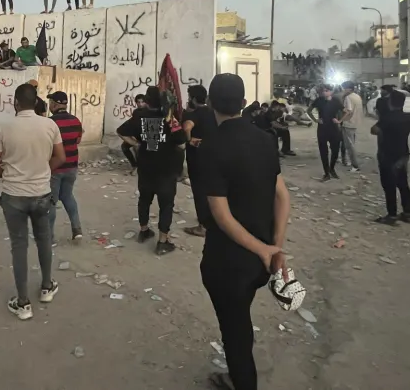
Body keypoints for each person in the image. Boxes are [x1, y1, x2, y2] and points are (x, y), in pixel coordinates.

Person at [197, 73, 291, 390]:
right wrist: (274, 247)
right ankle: (237, 376)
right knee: (240, 322)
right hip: (258, 263)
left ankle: (242, 381)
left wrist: (266, 251)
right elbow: (283, 196)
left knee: (234, 333)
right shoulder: (265, 139)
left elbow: (221, 216)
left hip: (228, 263)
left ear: (210, 103)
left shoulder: (211, 148)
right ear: (243, 101)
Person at [0, 83, 66, 320]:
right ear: (37, 102)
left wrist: (8, 176)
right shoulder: (50, 125)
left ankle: (23, 303)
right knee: (44, 240)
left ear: (16, 103)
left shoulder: (4, 127)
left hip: (14, 196)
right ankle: (47, 287)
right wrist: (43, 172)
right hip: (41, 193)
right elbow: (60, 157)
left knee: (19, 247)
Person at [117, 86, 187, 256]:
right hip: (166, 169)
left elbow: (121, 132)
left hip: (146, 167)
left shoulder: (139, 116)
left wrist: (138, 144)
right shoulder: (170, 119)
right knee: (166, 205)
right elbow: (181, 143)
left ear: (147, 101)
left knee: (144, 200)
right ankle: (163, 242)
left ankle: (144, 230)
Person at [371, 90, 410, 225]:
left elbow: (374, 130)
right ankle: (407, 213)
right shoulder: (408, 117)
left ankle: (392, 215)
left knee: (389, 185)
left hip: (387, 154)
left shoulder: (387, 118)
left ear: (390, 102)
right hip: (402, 153)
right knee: (403, 184)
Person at [47, 91, 84, 242]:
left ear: (54, 104)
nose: (49, 105)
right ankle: (77, 229)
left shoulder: (50, 123)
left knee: (51, 201)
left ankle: (49, 236)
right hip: (72, 167)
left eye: (50, 102)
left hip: (56, 168)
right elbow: (78, 140)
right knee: (67, 196)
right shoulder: (76, 121)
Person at [183, 84, 218, 238]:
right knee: (211, 189)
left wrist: (189, 140)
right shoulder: (214, 113)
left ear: (194, 99)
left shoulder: (195, 113)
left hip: (197, 158)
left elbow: (186, 128)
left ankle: (202, 226)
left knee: (199, 191)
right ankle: (212, 219)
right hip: (213, 157)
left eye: (190, 96)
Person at [309, 85, 344, 181]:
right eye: (323, 91)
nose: (325, 92)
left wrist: (340, 120)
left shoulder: (336, 101)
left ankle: (332, 168)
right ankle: (326, 172)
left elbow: (346, 111)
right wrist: (316, 120)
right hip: (322, 128)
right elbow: (309, 110)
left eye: (327, 90)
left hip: (333, 128)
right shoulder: (319, 100)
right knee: (323, 151)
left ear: (332, 91)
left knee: (336, 150)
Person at [339, 81, 363, 173]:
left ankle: (355, 166)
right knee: (351, 144)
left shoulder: (348, 97)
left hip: (348, 123)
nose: (343, 90)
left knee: (350, 146)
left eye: (344, 88)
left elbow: (348, 111)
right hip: (355, 123)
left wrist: (340, 120)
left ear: (348, 89)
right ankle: (352, 163)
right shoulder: (357, 96)